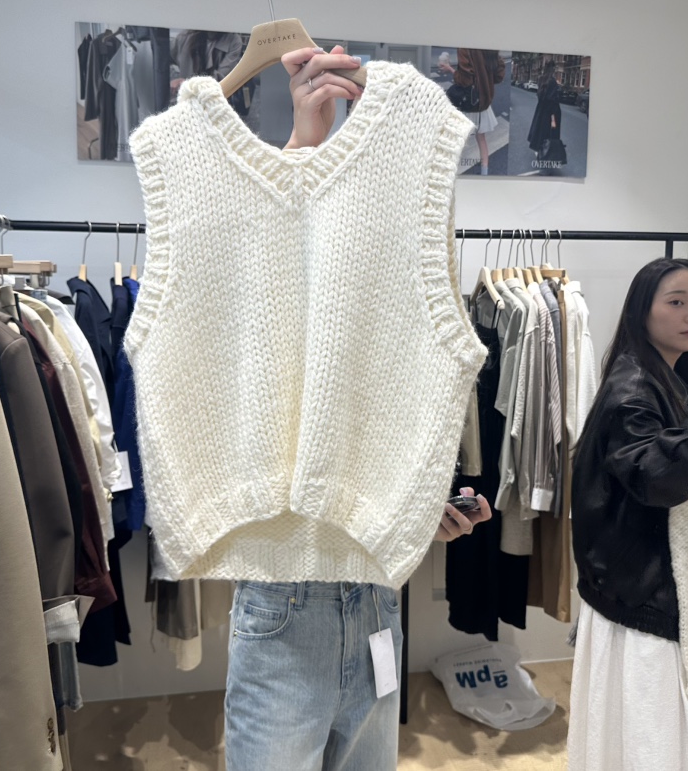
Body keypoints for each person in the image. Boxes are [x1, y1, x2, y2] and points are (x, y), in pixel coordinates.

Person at [221, 44, 494, 771]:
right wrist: (304, 143)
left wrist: (419, 508)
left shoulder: (397, 289)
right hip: (286, 598)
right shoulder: (272, 278)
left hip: (376, 594)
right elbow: (264, 278)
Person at [567, 257, 688, 771]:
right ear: (643, 310)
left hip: (636, 586)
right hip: (644, 594)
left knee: (636, 735)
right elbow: (656, 481)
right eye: (677, 302)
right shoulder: (634, 389)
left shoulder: (662, 375)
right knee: (654, 737)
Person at [438, 48, 505, 175]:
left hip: (468, 102)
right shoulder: (491, 47)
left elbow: (464, 80)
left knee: (456, 139)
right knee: (481, 139)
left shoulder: (465, 48)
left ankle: (449, 174)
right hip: (482, 102)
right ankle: (484, 175)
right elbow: (498, 77)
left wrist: (450, 69)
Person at [526, 59, 561, 159]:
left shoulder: (541, 79)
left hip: (541, 110)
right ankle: (546, 153)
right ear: (553, 69)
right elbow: (553, 101)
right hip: (551, 113)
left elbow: (540, 96)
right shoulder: (553, 82)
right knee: (549, 134)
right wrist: (553, 119)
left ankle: (538, 150)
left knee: (540, 131)